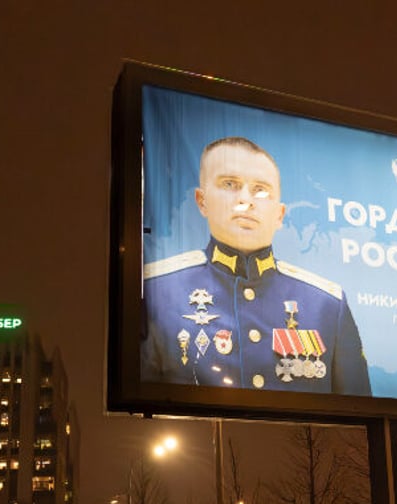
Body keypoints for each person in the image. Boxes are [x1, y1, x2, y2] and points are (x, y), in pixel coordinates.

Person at [141, 136, 371, 395]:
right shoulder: (156, 291)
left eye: (261, 190)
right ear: (201, 201)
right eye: (230, 184)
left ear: (280, 214)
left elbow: (357, 423)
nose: (246, 200)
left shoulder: (328, 305)